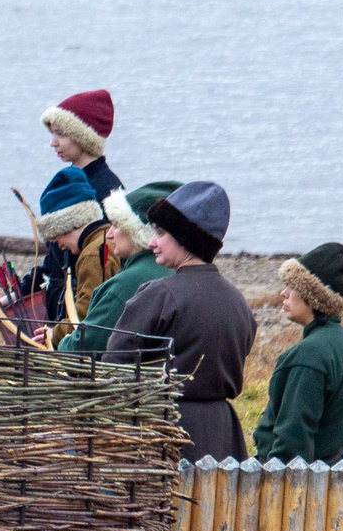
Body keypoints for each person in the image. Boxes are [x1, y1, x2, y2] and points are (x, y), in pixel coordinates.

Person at [106, 182, 257, 462]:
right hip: (224, 438)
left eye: (160, 233)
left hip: (165, 434)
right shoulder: (239, 302)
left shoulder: (159, 295)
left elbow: (113, 369)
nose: (151, 242)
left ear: (185, 239)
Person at [253, 243, 343, 463]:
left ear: (312, 296)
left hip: (302, 487)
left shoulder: (308, 356)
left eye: (292, 286)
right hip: (338, 478)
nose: (283, 293)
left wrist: (275, 489)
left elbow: (292, 442)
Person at [60, 180, 179, 353]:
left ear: (135, 231)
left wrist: (64, 341)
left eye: (115, 225)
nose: (109, 234)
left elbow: (85, 346)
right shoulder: (172, 268)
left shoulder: (127, 283)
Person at [29, 166, 113, 327]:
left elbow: (84, 317)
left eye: (56, 235)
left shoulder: (92, 254)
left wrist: (55, 334)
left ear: (68, 224)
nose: (58, 245)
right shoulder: (103, 238)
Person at [44, 89, 125, 215]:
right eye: (53, 133)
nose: (53, 142)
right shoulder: (69, 179)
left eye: (60, 134)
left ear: (84, 138)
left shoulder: (109, 191)